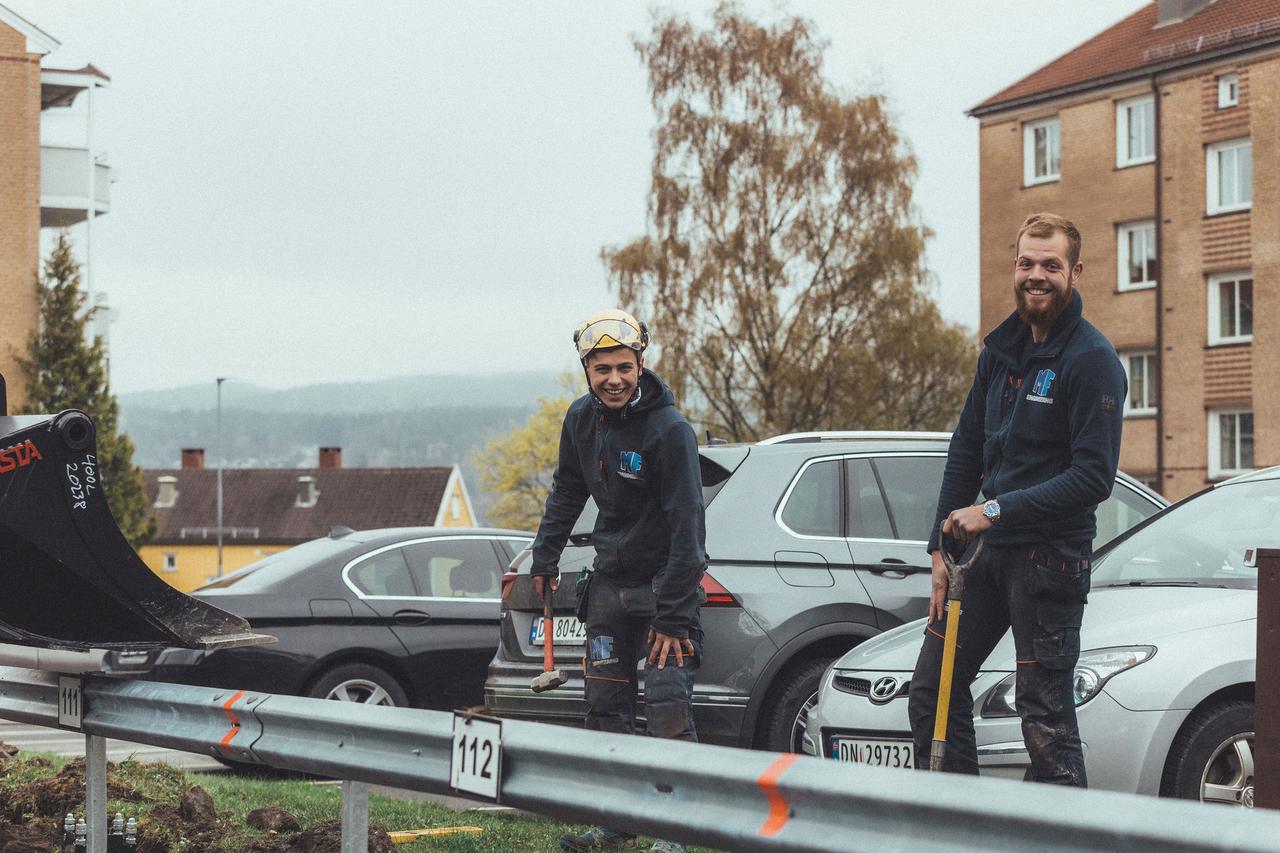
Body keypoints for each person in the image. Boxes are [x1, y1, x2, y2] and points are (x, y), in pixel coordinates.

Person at [906, 212, 1126, 787]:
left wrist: (995, 510)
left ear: (1075, 273)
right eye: (1027, 263)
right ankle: (965, 830)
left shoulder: (1092, 359)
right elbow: (966, 448)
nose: (1037, 275)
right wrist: (938, 548)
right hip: (982, 557)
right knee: (931, 692)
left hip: (1048, 560)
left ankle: (1060, 836)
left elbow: (1093, 477)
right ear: (1015, 267)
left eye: (1051, 265)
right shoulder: (1000, 351)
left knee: (1044, 718)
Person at [529, 309, 706, 853]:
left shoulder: (669, 430)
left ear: (640, 364)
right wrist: (545, 555)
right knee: (606, 708)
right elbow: (566, 490)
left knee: (667, 709)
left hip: (663, 593)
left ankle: (676, 832)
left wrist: (676, 614)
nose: (613, 379)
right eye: (601, 367)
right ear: (586, 368)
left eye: (623, 367)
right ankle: (617, 825)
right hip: (606, 585)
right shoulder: (580, 419)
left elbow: (688, 525)